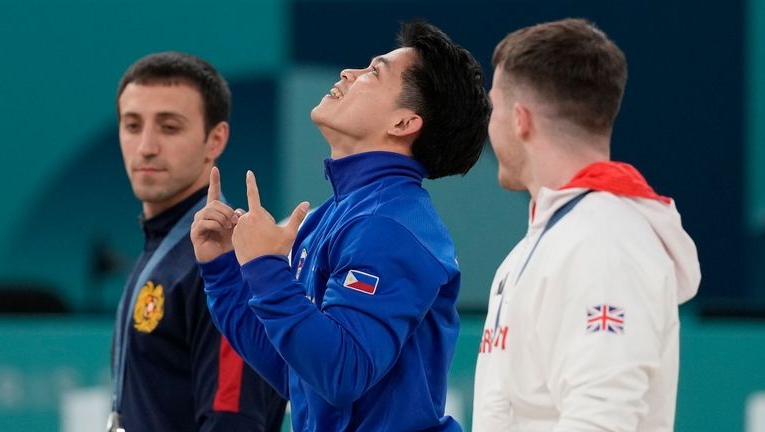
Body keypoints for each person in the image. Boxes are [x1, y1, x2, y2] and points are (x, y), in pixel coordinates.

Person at [190, 21, 490, 431]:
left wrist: (264, 267)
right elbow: (298, 375)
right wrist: (224, 272)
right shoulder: (335, 214)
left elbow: (341, 373)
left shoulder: (390, 227)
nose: (348, 74)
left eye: (373, 72)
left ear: (404, 123)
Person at [472, 18, 701, 431]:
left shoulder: (605, 241)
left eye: (494, 108)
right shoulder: (548, 241)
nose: (490, 127)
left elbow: (602, 419)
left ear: (521, 120)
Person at [110, 51, 286, 432]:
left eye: (169, 127)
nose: (146, 147)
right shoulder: (163, 244)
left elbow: (233, 424)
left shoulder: (227, 260)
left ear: (215, 139)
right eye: (132, 125)